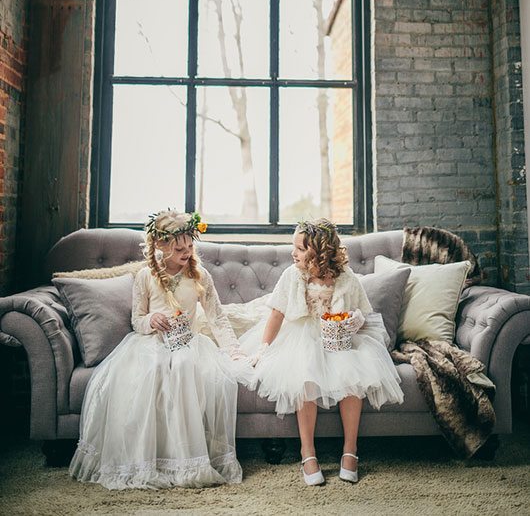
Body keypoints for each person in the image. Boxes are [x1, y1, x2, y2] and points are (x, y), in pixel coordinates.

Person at [69, 210, 251, 490]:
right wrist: (151, 321)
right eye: (179, 248)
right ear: (160, 247)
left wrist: (233, 350)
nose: (186, 252)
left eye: (190, 246)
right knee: (151, 370)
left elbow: (217, 318)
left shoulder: (200, 276)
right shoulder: (145, 277)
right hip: (151, 344)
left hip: (187, 343)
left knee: (183, 367)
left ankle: (188, 460)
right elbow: (137, 320)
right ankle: (150, 459)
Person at [239, 218, 404, 486]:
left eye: (301, 249)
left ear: (320, 251)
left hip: (337, 336)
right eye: (294, 247)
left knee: (353, 379)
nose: (293, 253)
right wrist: (264, 347)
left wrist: (354, 320)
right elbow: (277, 313)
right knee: (305, 375)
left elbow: (363, 312)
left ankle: (350, 451)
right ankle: (308, 452)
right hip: (301, 333)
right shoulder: (292, 275)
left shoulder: (346, 277)